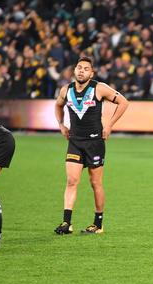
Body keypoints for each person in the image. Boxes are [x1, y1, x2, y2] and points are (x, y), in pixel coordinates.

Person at [53, 56, 130, 235]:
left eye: (86, 69)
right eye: (79, 67)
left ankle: (98, 224)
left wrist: (109, 125)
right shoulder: (66, 90)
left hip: (95, 142)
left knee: (95, 183)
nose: (81, 71)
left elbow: (123, 102)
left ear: (92, 73)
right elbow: (58, 106)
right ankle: (66, 223)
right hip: (75, 142)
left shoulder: (99, 88)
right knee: (71, 181)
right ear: (74, 70)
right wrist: (61, 124)